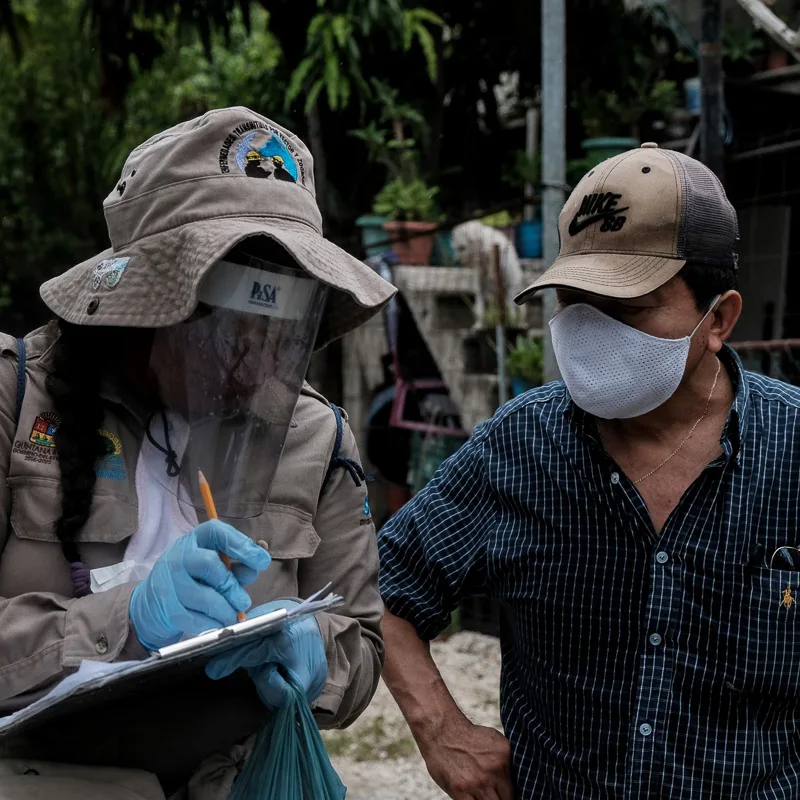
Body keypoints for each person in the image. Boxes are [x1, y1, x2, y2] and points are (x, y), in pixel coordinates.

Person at [378, 144, 800, 799]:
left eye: (629, 307)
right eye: (573, 301)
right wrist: (442, 732)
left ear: (719, 318)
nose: (590, 331)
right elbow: (381, 588)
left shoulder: (791, 448)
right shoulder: (521, 446)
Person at [0, 107, 395, 799]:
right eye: (226, 326)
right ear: (150, 302)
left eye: (279, 332)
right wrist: (127, 619)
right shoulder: (18, 397)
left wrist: (314, 657)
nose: (251, 362)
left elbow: (362, 648)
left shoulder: (315, 434)